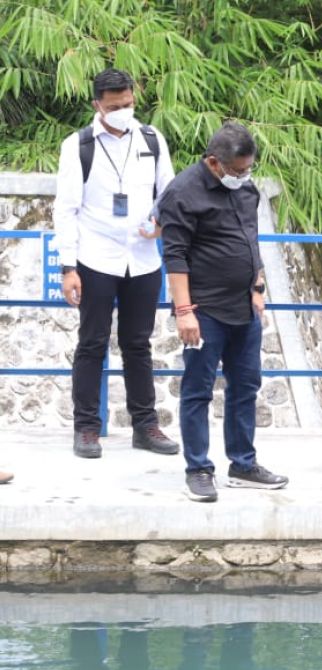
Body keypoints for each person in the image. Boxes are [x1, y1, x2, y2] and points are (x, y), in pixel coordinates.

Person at [52, 68, 178, 459]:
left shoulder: (153, 140)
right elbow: (66, 209)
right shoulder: (79, 145)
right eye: (114, 106)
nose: (123, 111)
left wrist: (160, 224)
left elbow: (169, 194)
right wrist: (68, 267)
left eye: (128, 104)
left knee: (138, 344)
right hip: (95, 258)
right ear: (97, 106)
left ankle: (146, 426)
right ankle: (87, 428)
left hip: (141, 260)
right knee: (91, 344)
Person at [158, 122, 288, 503]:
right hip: (204, 310)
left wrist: (258, 284)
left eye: (248, 169)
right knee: (198, 390)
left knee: (246, 385)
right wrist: (184, 312)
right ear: (214, 163)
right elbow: (175, 255)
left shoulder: (245, 188)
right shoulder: (182, 193)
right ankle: (198, 468)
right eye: (237, 170)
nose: (244, 177)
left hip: (244, 307)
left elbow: (251, 238)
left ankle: (243, 463)